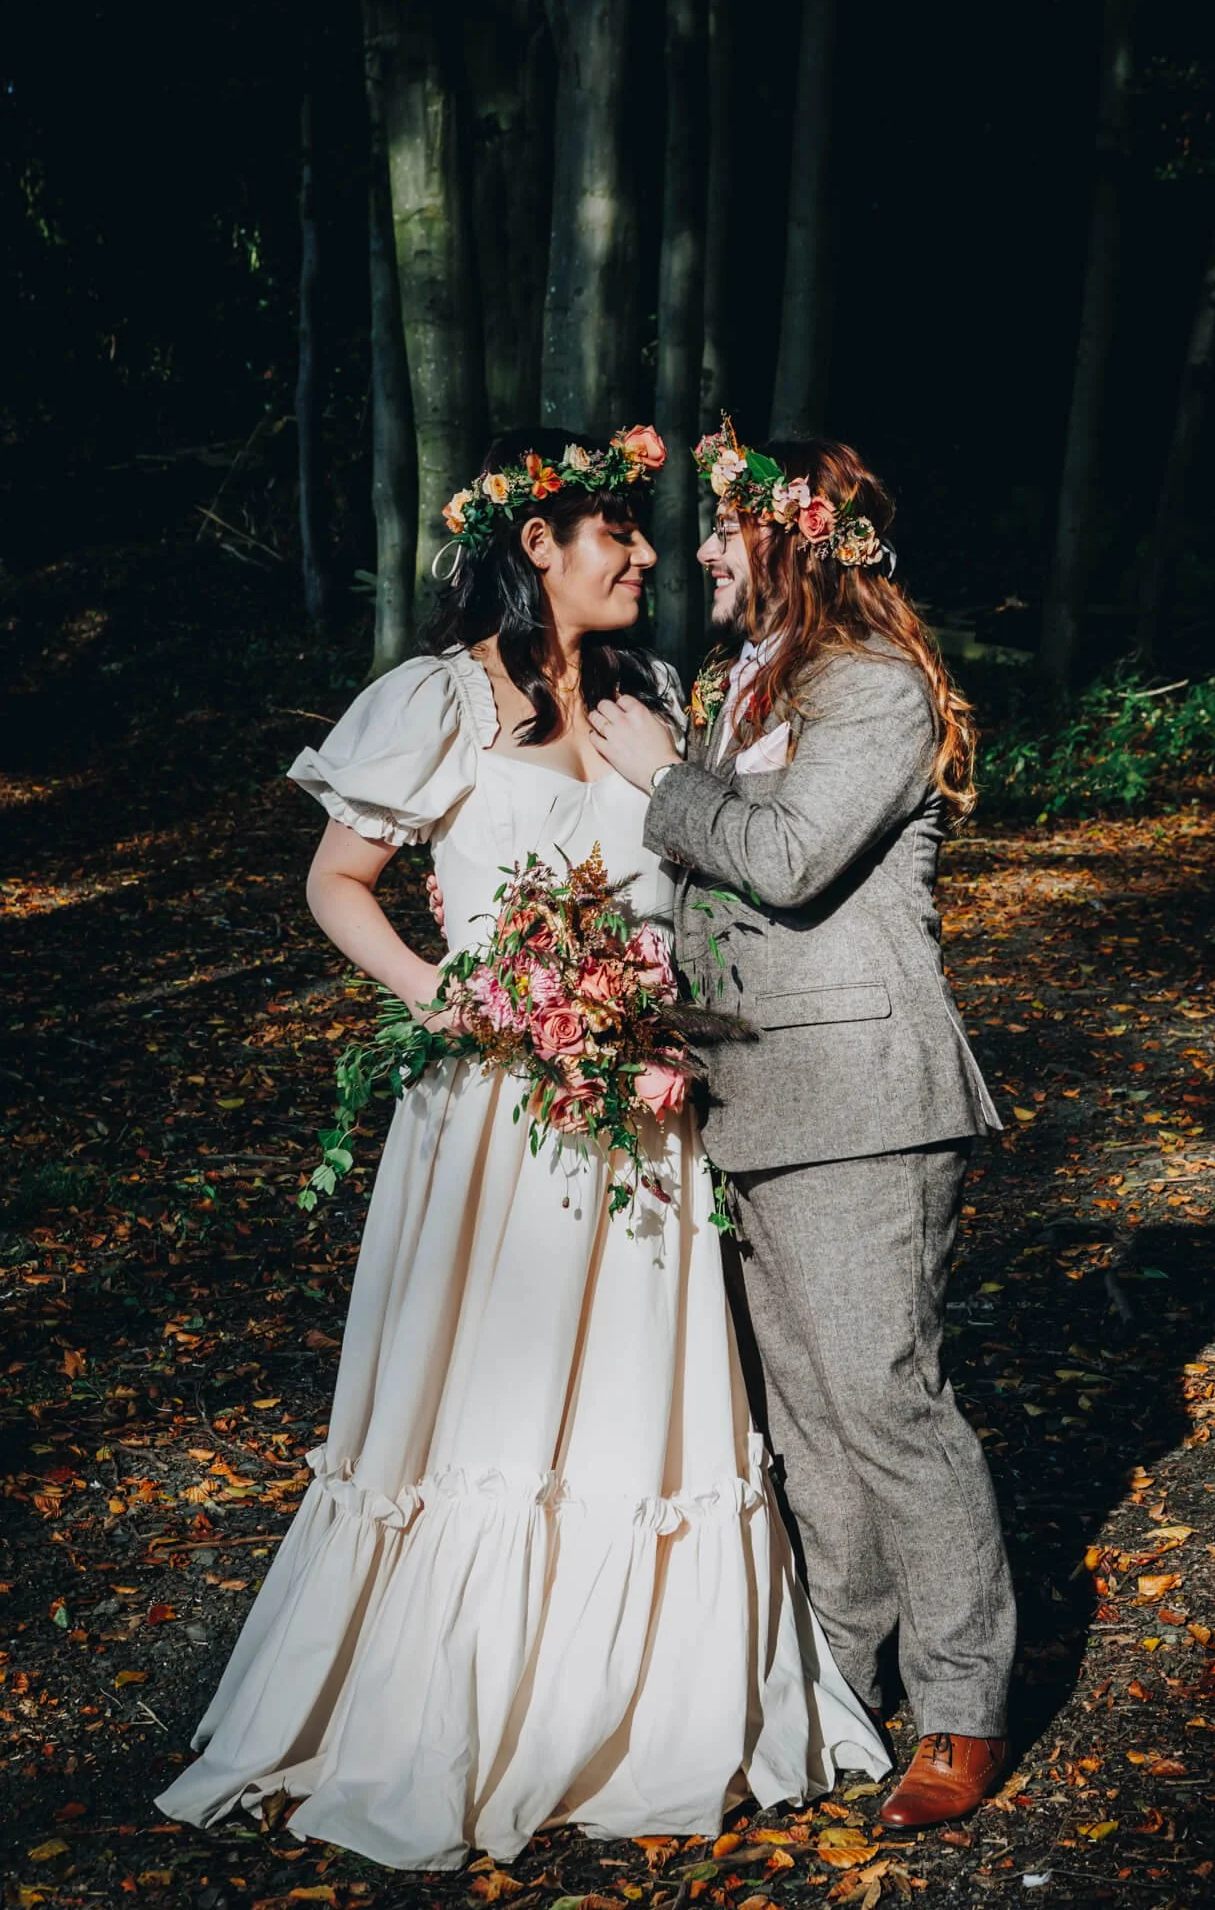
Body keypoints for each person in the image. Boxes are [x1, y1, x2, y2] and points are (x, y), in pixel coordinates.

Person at [154, 426, 888, 1872]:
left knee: (635, 1401)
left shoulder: (650, 694)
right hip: (496, 1114)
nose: (642, 553)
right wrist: (458, 997)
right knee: (487, 1405)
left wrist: (662, 1007)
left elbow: (702, 875)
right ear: (533, 546)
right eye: (611, 530)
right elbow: (339, 881)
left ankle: (631, 1705)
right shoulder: (435, 699)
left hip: (644, 1106)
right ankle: (459, 1702)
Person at [588, 423, 1017, 1829]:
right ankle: (841, 1680)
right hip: (754, 1103)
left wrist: (663, 772)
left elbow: (781, 856)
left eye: (723, 530)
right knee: (812, 1429)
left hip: (863, 1102)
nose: (702, 551)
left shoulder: (875, 687)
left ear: (795, 537)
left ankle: (959, 1712)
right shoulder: (740, 691)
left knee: (889, 1408)